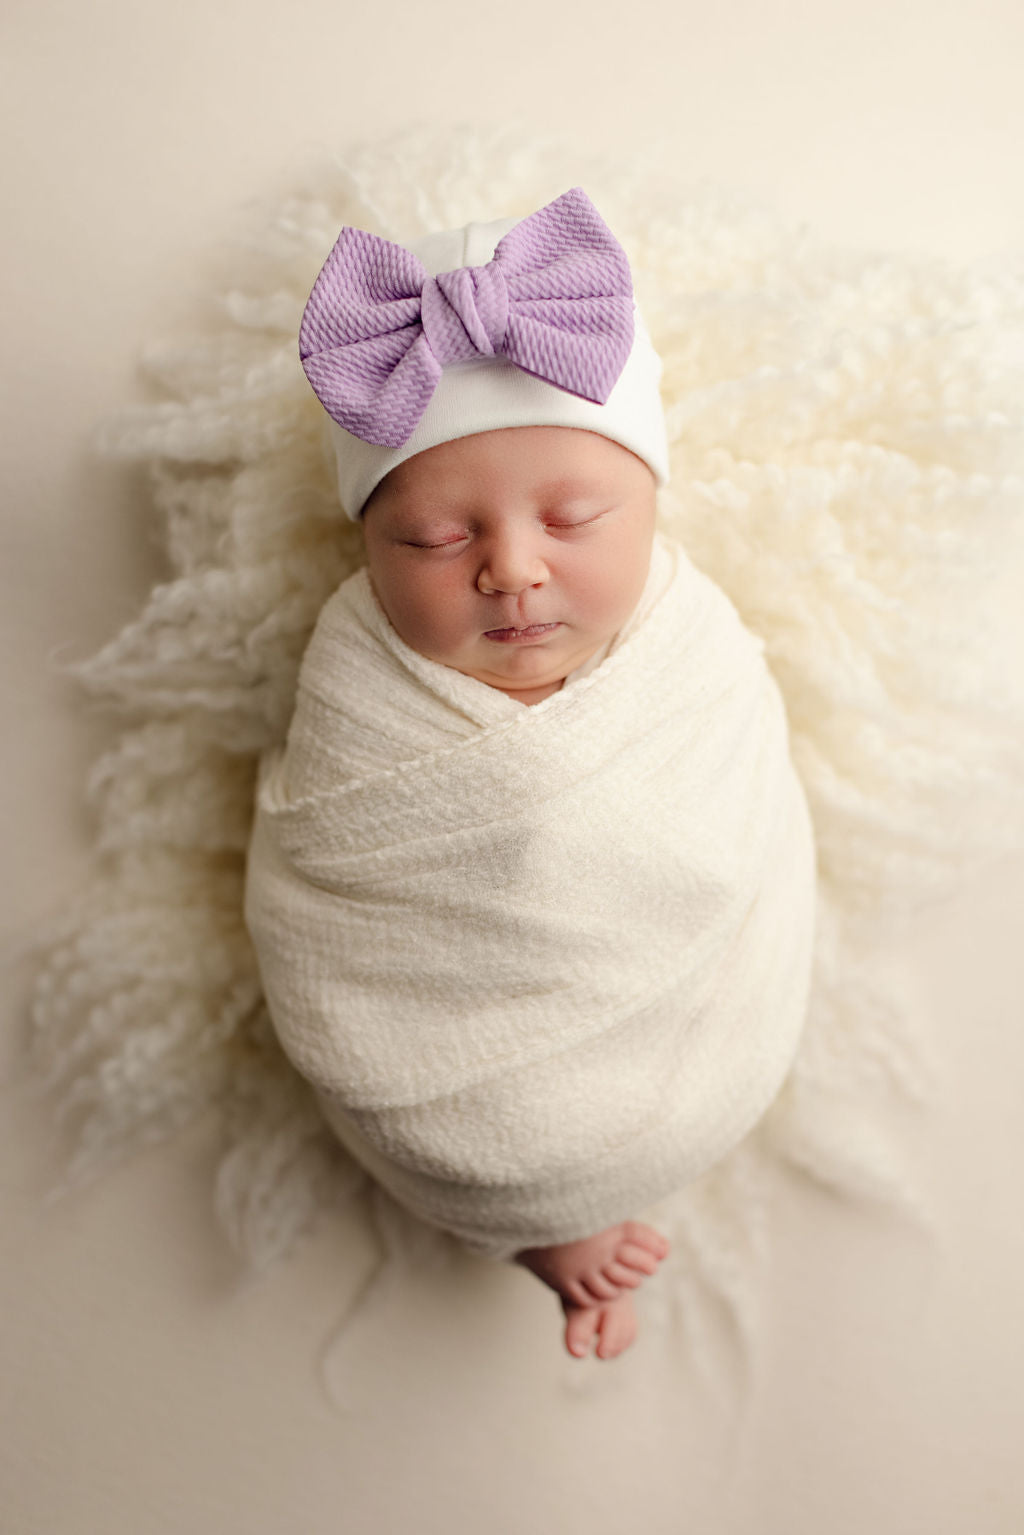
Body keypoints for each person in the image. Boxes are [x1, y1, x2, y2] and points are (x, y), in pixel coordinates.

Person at [245, 188, 817, 1361]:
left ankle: (574, 1204)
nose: (510, 568)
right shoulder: (356, 671)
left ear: (651, 505)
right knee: (464, 1126)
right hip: (442, 1047)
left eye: (573, 516)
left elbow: (736, 822)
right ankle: (532, 1226)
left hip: (672, 1015)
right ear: (366, 547)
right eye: (435, 540)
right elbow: (330, 896)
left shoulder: (684, 646)